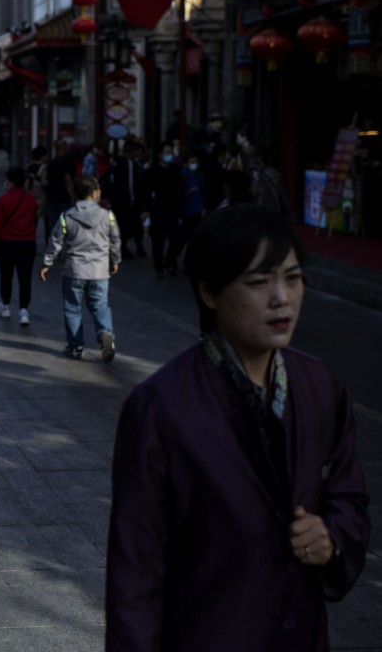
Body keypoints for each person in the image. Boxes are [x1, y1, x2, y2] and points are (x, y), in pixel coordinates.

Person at [106, 204, 370, 651]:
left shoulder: (320, 387)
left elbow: (349, 496)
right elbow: (136, 571)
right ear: (209, 292)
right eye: (258, 282)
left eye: (292, 277)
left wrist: (333, 536)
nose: (281, 298)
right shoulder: (160, 406)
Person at [40, 176, 120, 362]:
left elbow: (55, 242)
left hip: (74, 270)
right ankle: (105, 333)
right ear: (94, 193)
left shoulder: (67, 216)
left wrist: (47, 263)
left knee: (72, 309)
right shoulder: (107, 215)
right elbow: (115, 240)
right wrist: (115, 260)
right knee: (100, 306)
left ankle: (76, 347)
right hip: (99, 271)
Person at [0, 167, 38, 326]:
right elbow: (34, 221)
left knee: (6, 276)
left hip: (7, 243)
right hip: (27, 243)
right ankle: (24, 310)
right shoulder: (31, 199)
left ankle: (5, 306)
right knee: (25, 278)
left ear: (10, 181)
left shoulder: (3, 200)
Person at [143, 143, 185, 279]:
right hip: (158, 209)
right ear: (160, 154)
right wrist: (146, 209)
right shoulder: (152, 171)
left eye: (170, 152)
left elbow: (180, 187)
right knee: (158, 240)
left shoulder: (175, 169)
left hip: (173, 208)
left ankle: (170, 261)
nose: (169, 155)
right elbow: (146, 191)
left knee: (176, 238)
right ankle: (159, 267)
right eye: (167, 152)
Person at [44, 139, 77, 241]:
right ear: (65, 148)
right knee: (65, 226)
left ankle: (52, 249)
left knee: (52, 226)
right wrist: (72, 197)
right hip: (64, 198)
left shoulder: (51, 163)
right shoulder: (67, 163)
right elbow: (68, 180)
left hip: (51, 197)